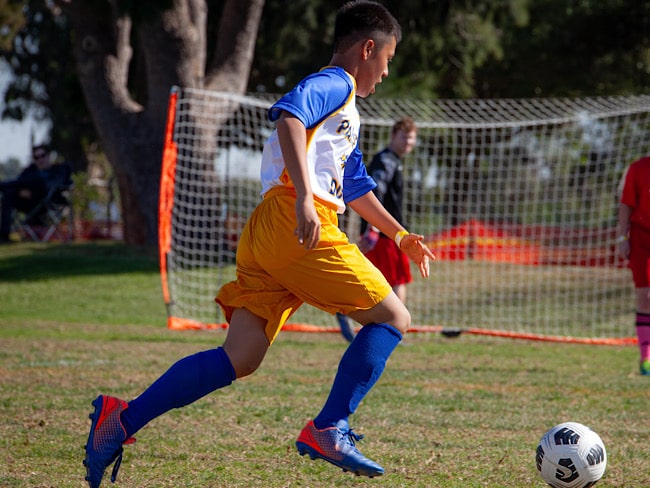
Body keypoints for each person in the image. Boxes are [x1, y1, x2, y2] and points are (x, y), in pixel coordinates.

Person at [82, 2, 435, 487]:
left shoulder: (344, 112)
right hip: (298, 223)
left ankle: (119, 421)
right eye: (388, 59)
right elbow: (289, 116)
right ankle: (329, 427)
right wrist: (307, 202)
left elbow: (355, 187)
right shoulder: (336, 83)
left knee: (240, 357)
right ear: (367, 48)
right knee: (395, 317)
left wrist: (399, 234)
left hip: (268, 232)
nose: (387, 72)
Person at [336, 117, 418, 342]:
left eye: (411, 139)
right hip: (386, 236)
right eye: (404, 138)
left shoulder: (393, 160)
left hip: (383, 234)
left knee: (372, 280)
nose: (408, 143)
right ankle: (394, 332)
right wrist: (373, 227)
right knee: (397, 281)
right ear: (393, 136)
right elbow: (377, 189)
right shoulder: (387, 161)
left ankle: (346, 309)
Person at [617, 156, 650, 375]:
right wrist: (622, 238)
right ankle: (646, 358)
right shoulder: (639, 168)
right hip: (642, 238)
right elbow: (626, 205)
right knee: (645, 296)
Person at [0, 144, 71, 243]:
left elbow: (52, 185)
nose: (40, 159)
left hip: (48, 204)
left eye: (43, 156)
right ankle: (4, 236)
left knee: (28, 183)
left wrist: (33, 191)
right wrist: (21, 191)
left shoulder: (59, 170)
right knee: (8, 193)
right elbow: (19, 183)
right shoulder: (30, 171)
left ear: (49, 155)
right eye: (36, 157)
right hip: (29, 204)